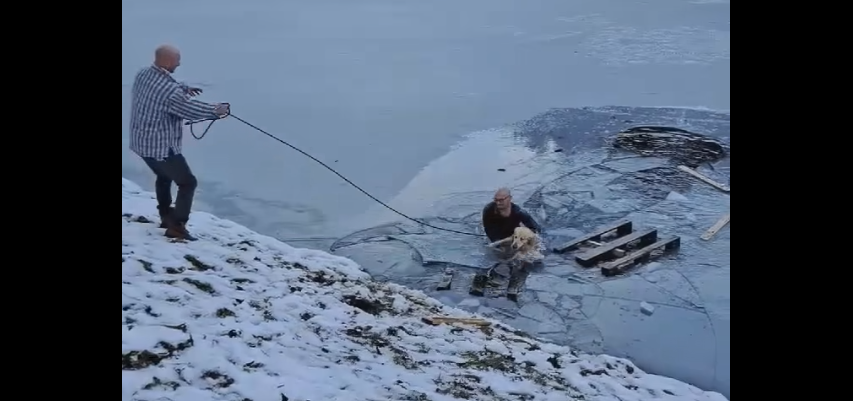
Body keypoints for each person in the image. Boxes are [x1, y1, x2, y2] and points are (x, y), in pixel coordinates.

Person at [129, 45, 230, 241]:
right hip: (161, 146)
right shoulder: (169, 92)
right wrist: (216, 111)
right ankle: (177, 225)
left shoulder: (143, 74)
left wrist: (184, 88)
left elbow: (166, 87)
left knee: (163, 176)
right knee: (187, 182)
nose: (180, 63)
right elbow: (189, 110)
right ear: (167, 62)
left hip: (142, 143)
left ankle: (166, 215)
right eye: (177, 60)